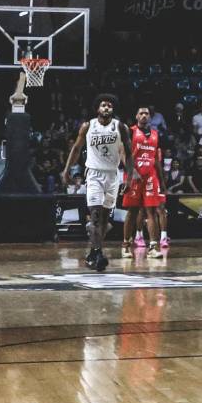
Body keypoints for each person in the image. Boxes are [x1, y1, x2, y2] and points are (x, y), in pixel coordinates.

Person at [63, 94, 126, 271]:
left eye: (110, 105)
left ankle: (93, 252)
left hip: (113, 175)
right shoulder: (88, 126)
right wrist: (67, 169)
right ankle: (98, 253)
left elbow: (123, 150)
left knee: (105, 221)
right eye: (103, 105)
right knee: (96, 215)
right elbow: (76, 148)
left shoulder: (119, 127)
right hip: (94, 174)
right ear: (97, 108)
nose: (106, 107)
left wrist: (129, 172)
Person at [123, 106, 168, 258]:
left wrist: (162, 181)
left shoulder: (155, 134)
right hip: (134, 176)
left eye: (146, 114)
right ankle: (126, 245)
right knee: (133, 211)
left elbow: (156, 159)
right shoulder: (130, 131)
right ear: (136, 116)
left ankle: (153, 247)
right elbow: (122, 153)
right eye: (141, 113)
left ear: (150, 117)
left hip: (150, 176)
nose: (144, 116)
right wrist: (131, 171)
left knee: (152, 211)